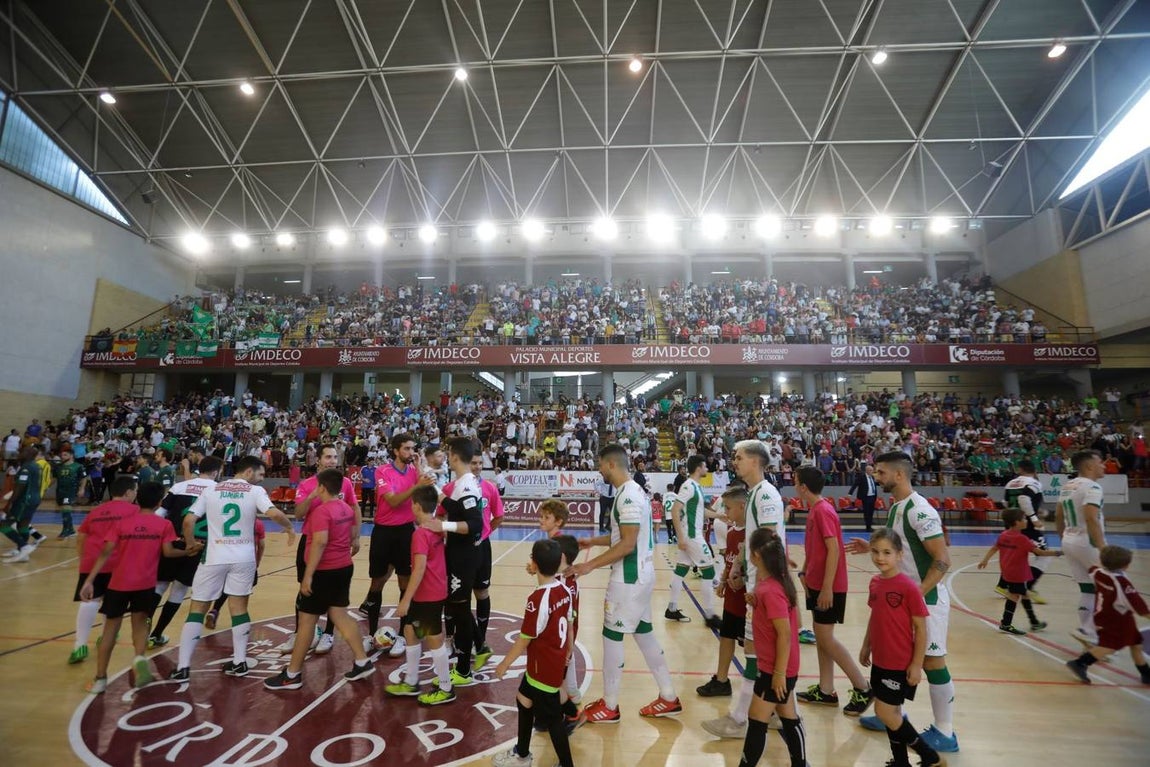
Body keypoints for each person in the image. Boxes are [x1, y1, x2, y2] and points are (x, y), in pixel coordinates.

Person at [846, 451, 958, 753]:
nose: (876, 477)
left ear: (899, 474)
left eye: (880, 472)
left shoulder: (920, 511)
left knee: (932, 662)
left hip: (926, 600)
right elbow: (901, 547)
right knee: (896, 658)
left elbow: (943, 559)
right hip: (904, 600)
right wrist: (871, 546)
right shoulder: (897, 506)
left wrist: (917, 594)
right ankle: (892, 713)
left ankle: (945, 731)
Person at [566, 444, 680, 723]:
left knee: (611, 635)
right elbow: (625, 536)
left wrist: (589, 565)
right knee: (644, 634)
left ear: (611, 464)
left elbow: (627, 544)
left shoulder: (627, 496)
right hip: (641, 574)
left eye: (600, 465)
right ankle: (668, 696)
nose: (599, 470)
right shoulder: (632, 491)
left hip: (628, 577)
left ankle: (610, 705)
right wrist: (593, 541)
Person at [170, 456, 295, 681]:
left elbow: (188, 521)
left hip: (214, 556)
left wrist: (190, 544)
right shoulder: (254, 491)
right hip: (243, 558)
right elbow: (274, 514)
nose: (261, 479)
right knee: (239, 608)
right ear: (248, 472)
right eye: (260, 474)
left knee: (197, 609)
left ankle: (183, 667)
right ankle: (239, 662)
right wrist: (289, 528)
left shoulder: (211, 490)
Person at [703, 439, 785, 739]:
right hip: (756, 582)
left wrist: (760, 585)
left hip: (764, 586)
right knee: (757, 651)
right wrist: (737, 567)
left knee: (754, 652)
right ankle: (775, 712)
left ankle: (739, 720)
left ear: (755, 461)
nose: (734, 461)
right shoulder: (754, 495)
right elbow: (751, 540)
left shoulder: (766, 496)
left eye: (739, 457)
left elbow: (769, 542)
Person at [80, 482, 195, 694]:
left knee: (110, 630)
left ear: (137, 499)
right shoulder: (164, 525)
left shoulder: (122, 524)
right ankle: (140, 658)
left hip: (118, 583)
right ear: (159, 502)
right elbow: (169, 553)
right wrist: (189, 551)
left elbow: (105, 552)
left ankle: (100, 678)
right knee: (140, 625)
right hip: (145, 584)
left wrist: (89, 580)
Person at [265, 469, 373, 689]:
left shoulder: (321, 512)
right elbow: (348, 530)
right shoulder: (345, 508)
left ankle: (292, 674)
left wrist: (309, 574)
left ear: (321, 487)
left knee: (306, 622)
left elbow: (320, 542)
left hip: (324, 571)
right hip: (343, 567)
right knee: (340, 615)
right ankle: (362, 661)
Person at [859, 528, 946, 767]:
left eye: (887, 552)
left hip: (899, 662)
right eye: (875, 552)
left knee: (884, 712)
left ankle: (930, 756)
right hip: (880, 659)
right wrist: (866, 644)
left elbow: (921, 628)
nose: (880, 557)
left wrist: (916, 664)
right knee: (893, 713)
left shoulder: (908, 587)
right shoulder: (875, 583)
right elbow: (875, 616)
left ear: (899, 555)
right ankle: (901, 761)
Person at [793, 466, 873, 715]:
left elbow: (834, 550)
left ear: (803, 487)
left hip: (829, 586)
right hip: (816, 583)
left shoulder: (823, 511)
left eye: (796, 482)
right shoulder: (815, 510)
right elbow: (814, 548)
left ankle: (862, 687)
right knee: (821, 637)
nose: (794, 486)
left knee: (826, 638)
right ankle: (826, 690)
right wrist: (805, 572)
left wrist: (827, 588)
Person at [492, 538, 575, 767]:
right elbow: (569, 623)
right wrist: (569, 649)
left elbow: (524, 639)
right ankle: (522, 754)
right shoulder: (564, 589)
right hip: (551, 663)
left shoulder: (537, 600)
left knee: (553, 720)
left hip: (542, 670)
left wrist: (504, 664)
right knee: (523, 700)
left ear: (534, 563)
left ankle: (566, 764)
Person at [276, 444, 360, 656]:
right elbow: (298, 514)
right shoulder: (307, 484)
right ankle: (301, 632)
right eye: (328, 457)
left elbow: (354, 507)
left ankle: (328, 634)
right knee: (305, 588)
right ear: (318, 460)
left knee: (334, 594)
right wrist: (313, 495)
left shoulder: (344, 482)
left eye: (335, 457)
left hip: (336, 543)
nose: (332, 461)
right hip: (311, 541)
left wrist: (356, 536)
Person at [736, 527, 808, 767]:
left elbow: (785, 634)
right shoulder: (772, 584)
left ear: (756, 555)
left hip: (776, 668)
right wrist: (756, 602)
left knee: (757, 719)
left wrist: (778, 673)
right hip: (778, 666)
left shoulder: (771, 590)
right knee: (788, 716)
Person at [359, 433, 433, 658]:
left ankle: (402, 635)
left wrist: (419, 468)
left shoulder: (413, 471)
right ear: (395, 450)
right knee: (376, 583)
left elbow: (425, 493)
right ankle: (371, 634)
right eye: (407, 449)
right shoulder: (383, 471)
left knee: (405, 584)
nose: (411, 452)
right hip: (383, 532)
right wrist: (416, 485)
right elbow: (392, 501)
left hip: (406, 532)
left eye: (413, 449)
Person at [418, 437, 484, 685]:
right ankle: (478, 650)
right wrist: (432, 486)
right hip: (459, 554)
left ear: (454, 456)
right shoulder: (462, 483)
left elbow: (475, 524)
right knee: (458, 609)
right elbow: (452, 506)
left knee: (460, 611)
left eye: (448, 453)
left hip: (463, 557)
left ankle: (464, 670)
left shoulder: (466, 485)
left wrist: (443, 526)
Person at [385, 485, 453, 703]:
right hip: (432, 590)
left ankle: (446, 688)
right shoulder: (437, 528)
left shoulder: (421, 534)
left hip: (429, 593)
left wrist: (405, 600)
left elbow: (420, 568)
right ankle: (411, 681)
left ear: (415, 506)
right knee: (410, 630)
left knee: (433, 638)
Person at [148, 456, 223, 646]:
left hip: (172, 542)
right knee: (179, 590)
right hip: (198, 546)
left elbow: (159, 515)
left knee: (159, 586)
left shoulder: (179, 486)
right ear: (216, 471)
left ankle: (143, 631)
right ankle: (156, 634)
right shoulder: (218, 490)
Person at [68, 476, 139, 665]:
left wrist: (84, 560)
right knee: (114, 603)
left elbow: (81, 536)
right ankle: (106, 637)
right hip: (119, 563)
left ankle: (79, 645)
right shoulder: (135, 511)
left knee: (89, 601)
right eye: (135, 491)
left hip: (92, 561)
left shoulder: (96, 511)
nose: (136, 494)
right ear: (128, 492)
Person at [1066, 545, 1150, 685]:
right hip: (1116, 619)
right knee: (1110, 646)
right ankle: (1080, 663)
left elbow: (1092, 569)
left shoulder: (1098, 572)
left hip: (1106, 615)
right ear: (1126, 565)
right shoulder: (1122, 584)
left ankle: (1146, 673)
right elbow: (1140, 608)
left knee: (1136, 642)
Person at [977, 508, 1063, 634]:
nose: (1026, 521)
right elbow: (1040, 552)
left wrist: (985, 560)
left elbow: (994, 548)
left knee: (1023, 594)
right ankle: (1007, 623)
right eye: (1023, 519)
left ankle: (1032, 622)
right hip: (1018, 573)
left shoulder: (1004, 535)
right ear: (1017, 522)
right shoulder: (1022, 539)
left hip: (1007, 571)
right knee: (1015, 595)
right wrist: (1058, 552)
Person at [697, 486, 748, 698]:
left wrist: (742, 579)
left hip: (747, 601)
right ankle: (721, 680)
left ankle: (756, 686)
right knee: (726, 637)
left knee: (750, 647)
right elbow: (729, 560)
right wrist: (724, 581)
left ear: (742, 506)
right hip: (732, 599)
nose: (724, 512)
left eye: (727, 508)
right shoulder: (732, 532)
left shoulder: (752, 533)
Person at [1057, 450, 1108, 647]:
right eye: (1100, 462)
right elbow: (1090, 517)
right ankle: (1088, 630)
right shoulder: (1093, 487)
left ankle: (1090, 636)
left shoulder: (1067, 486)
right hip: (1088, 542)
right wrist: (1102, 547)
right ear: (1089, 466)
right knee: (1108, 588)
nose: (1103, 465)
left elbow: (1058, 516)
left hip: (1069, 540)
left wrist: (1064, 538)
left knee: (1088, 589)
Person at [665, 455, 721, 628]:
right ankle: (710, 615)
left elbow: (701, 511)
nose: (707, 469)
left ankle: (671, 608)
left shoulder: (695, 486)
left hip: (690, 535)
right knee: (709, 572)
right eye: (705, 466)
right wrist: (681, 537)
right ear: (698, 468)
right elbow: (675, 510)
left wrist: (719, 515)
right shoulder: (689, 486)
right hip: (692, 536)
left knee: (681, 570)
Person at [1000, 459, 1048, 602]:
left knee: (1016, 556)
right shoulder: (1033, 483)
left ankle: (1004, 585)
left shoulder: (1010, 483)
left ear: (1020, 469)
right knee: (1044, 555)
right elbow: (1024, 498)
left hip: (1011, 524)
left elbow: (1006, 503)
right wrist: (1033, 518)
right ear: (1034, 470)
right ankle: (1028, 587)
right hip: (1026, 526)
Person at [1, 446, 42, 562]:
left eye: (22, 452)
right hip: (34, 499)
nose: (19, 453)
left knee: (3, 525)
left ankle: (24, 547)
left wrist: (9, 504)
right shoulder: (35, 466)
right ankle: (22, 553)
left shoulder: (26, 468)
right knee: (23, 525)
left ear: (29, 454)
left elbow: (20, 487)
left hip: (24, 500)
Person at [54, 447, 88, 539]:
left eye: (65, 455)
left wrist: (82, 489)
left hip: (71, 491)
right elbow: (53, 478)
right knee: (64, 511)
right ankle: (71, 530)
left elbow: (84, 478)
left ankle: (65, 531)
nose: (62, 457)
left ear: (71, 455)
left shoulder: (78, 466)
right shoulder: (58, 467)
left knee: (66, 509)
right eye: (62, 455)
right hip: (60, 491)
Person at [849, 463, 879, 532]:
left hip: (873, 496)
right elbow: (855, 484)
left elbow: (874, 485)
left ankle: (870, 523)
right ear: (867, 470)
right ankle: (868, 527)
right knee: (867, 512)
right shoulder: (862, 477)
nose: (872, 472)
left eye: (872, 470)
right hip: (866, 497)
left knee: (871, 511)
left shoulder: (872, 477)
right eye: (871, 470)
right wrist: (850, 493)